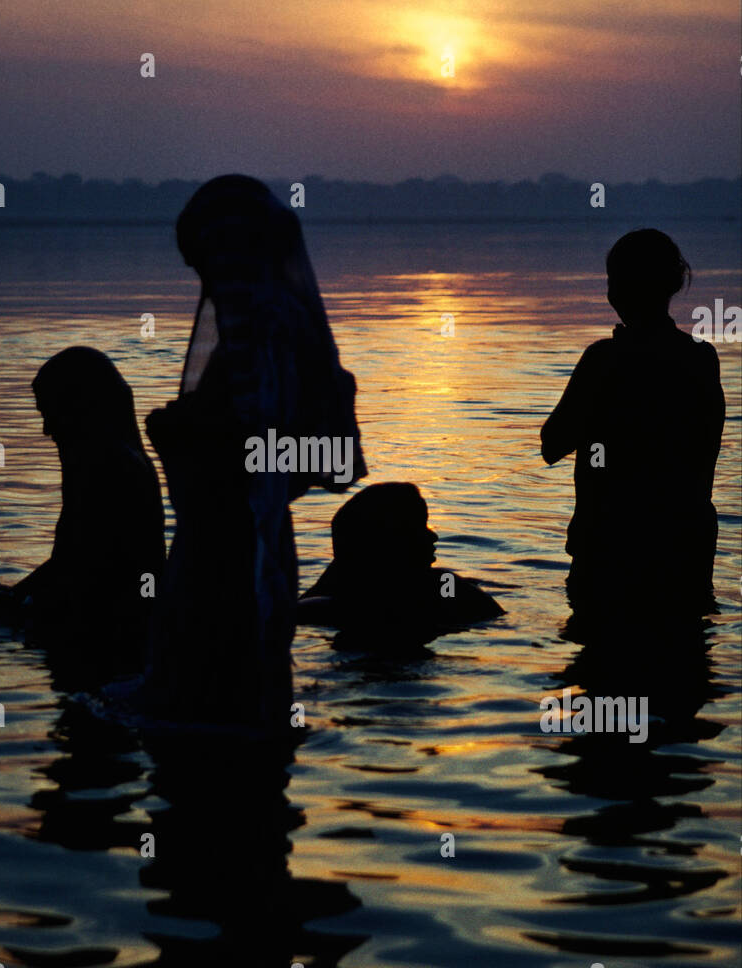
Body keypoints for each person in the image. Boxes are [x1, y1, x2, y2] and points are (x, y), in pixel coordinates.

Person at [144, 174, 365, 732]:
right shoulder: (283, 325)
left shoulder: (265, 329)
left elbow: (282, 454)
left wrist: (183, 434)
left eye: (206, 262)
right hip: (243, 546)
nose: (206, 281)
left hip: (234, 554)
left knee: (214, 723)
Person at [541, 229, 724, 621]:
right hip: (685, 551)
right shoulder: (702, 360)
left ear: (620, 291)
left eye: (613, 282)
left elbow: (551, 445)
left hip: (610, 552)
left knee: (604, 666)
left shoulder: (604, 360)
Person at [11, 346, 166, 675]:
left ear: (78, 406)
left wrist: (6, 605)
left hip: (109, 646)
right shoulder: (112, 459)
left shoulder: (111, 466)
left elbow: (83, 567)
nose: (46, 430)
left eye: (49, 413)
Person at [298, 482, 503, 649]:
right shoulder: (445, 588)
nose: (433, 535)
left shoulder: (323, 606)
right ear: (391, 540)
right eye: (419, 526)